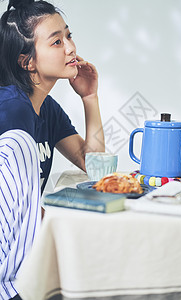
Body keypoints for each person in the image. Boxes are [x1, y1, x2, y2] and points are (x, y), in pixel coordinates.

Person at [0, 0, 105, 299]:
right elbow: (18, 215)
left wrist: (90, 98)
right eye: (57, 41)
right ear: (27, 61)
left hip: (22, 254)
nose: (71, 48)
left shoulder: (45, 108)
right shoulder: (11, 111)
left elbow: (94, 165)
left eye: (68, 36)